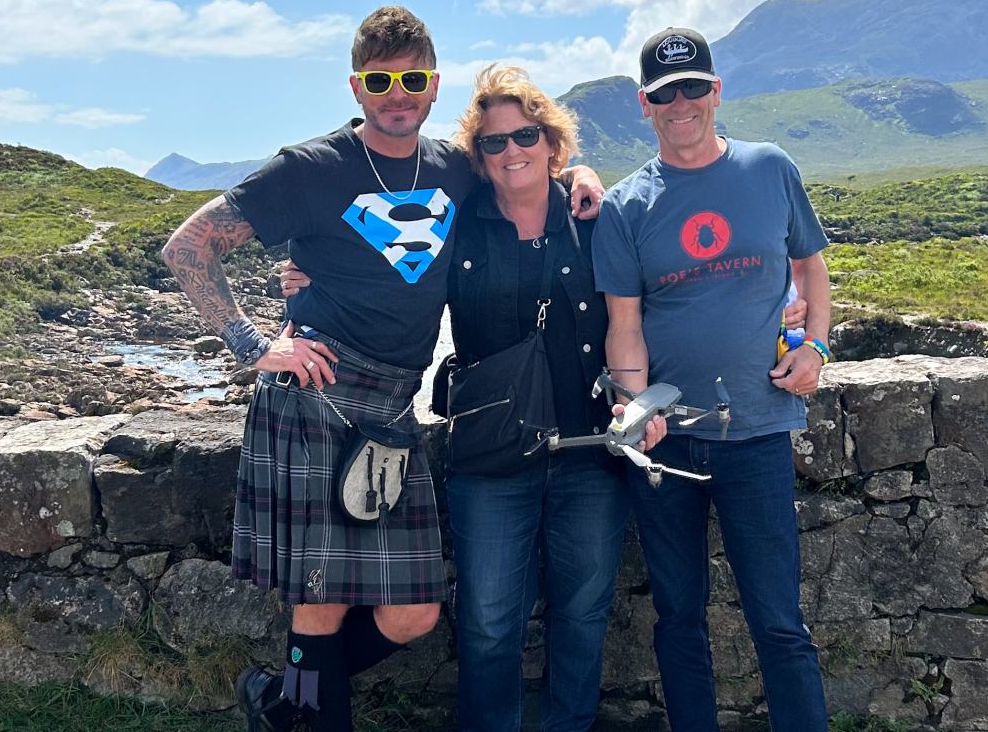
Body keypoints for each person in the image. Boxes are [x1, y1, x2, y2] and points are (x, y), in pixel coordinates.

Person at [159, 8, 604, 732]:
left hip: (393, 407)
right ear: (356, 87)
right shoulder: (310, 168)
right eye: (379, 81)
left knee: (413, 611)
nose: (397, 94)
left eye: (412, 80)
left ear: (434, 86)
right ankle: (300, 709)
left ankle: (282, 702)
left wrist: (581, 172)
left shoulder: (455, 169)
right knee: (322, 597)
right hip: (316, 394)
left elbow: (525, 164)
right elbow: (188, 246)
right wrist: (253, 344)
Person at [282, 65, 710, 732]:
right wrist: (309, 282)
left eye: (526, 135)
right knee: (487, 623)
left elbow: (638, 316)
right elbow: (387, 273)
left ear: (552, 141)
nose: (513, 150)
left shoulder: (595, 219)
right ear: (478, 157)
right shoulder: (457, 226)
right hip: (489, 457)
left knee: (583, 613)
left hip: (591, 451)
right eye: (494, 142)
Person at [591, 27, 833, 732]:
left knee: (779, 620)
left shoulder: (770, 168)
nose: (681, 104)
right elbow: (625, 326)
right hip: (667, 441)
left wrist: (817, 348)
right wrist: (634, 406)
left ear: (716, 92)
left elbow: (810, 266)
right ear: (645, 104)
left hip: (759, 430)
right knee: (678, 616)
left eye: (693, 87)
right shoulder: (625, 205)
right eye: (665, 93)